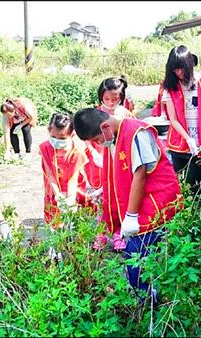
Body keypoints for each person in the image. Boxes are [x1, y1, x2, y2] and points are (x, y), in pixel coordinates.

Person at [73, 108, 181, 301]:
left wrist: (130, 217)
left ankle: (147, 300)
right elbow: (120, 173)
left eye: (97, 139)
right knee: (138, 256)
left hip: (155, 202)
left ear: (105, 126)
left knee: (136, 257)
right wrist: (104, 191)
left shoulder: (136, 133)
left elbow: (139, 174)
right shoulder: (114, 136)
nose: (99, 144)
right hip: (140, 204)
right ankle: (146, 296)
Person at [161, 45, 201, 189]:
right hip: (179, 143)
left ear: (189, 65)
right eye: (175, 69)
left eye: (182, 68)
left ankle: (196, 209)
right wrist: (188, 138)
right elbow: (173, 119)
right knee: (180, 185)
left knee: (195, 186)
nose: (179, 72)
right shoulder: (170, 87)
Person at [88, 76, 137, 251]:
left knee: (122, 195)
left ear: (121, 97)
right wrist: (94, 152)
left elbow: (133, 133)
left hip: (121, 160)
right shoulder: (96, 114)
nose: (110, 103)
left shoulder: (125, 113)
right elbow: (87, 136)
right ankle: (102, 233)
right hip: (103, 162)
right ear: (101, 96)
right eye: (106, 99)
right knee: (104, 198)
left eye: (115, 99)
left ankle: (120, 233)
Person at [39, 113, 90, 227]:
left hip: (74, 189)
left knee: (75, 219)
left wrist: (70, 199)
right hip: (53, 188)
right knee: (54, 219)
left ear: (72, 134)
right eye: (54, 137)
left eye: (62, 138)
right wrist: (58, 194)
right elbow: (50, 176)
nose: (57, 141)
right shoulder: (45, 148)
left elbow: (73, 180)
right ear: (49, 130)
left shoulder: (76, 152)